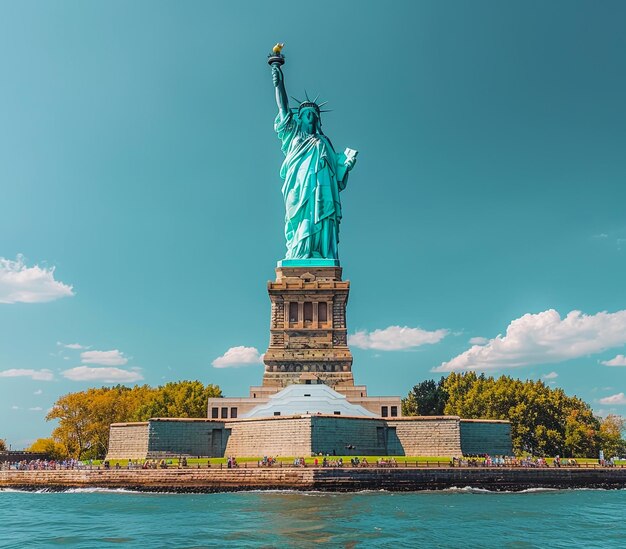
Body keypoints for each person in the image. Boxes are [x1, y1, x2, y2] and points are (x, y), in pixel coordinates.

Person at [271, 63, 357, 260]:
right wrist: (279, 84)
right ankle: (298, 252)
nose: (310, 118)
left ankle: (319, 253)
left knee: (320, 218)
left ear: (318, 120)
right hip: (298, 186)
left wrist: (346, 165)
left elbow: (337, 170)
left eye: (313, 115)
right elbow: (283, 108)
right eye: (306, 115)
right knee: (300, 219)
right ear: (299, 118)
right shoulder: (293, 133)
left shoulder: (324, 142)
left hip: (321, 187)